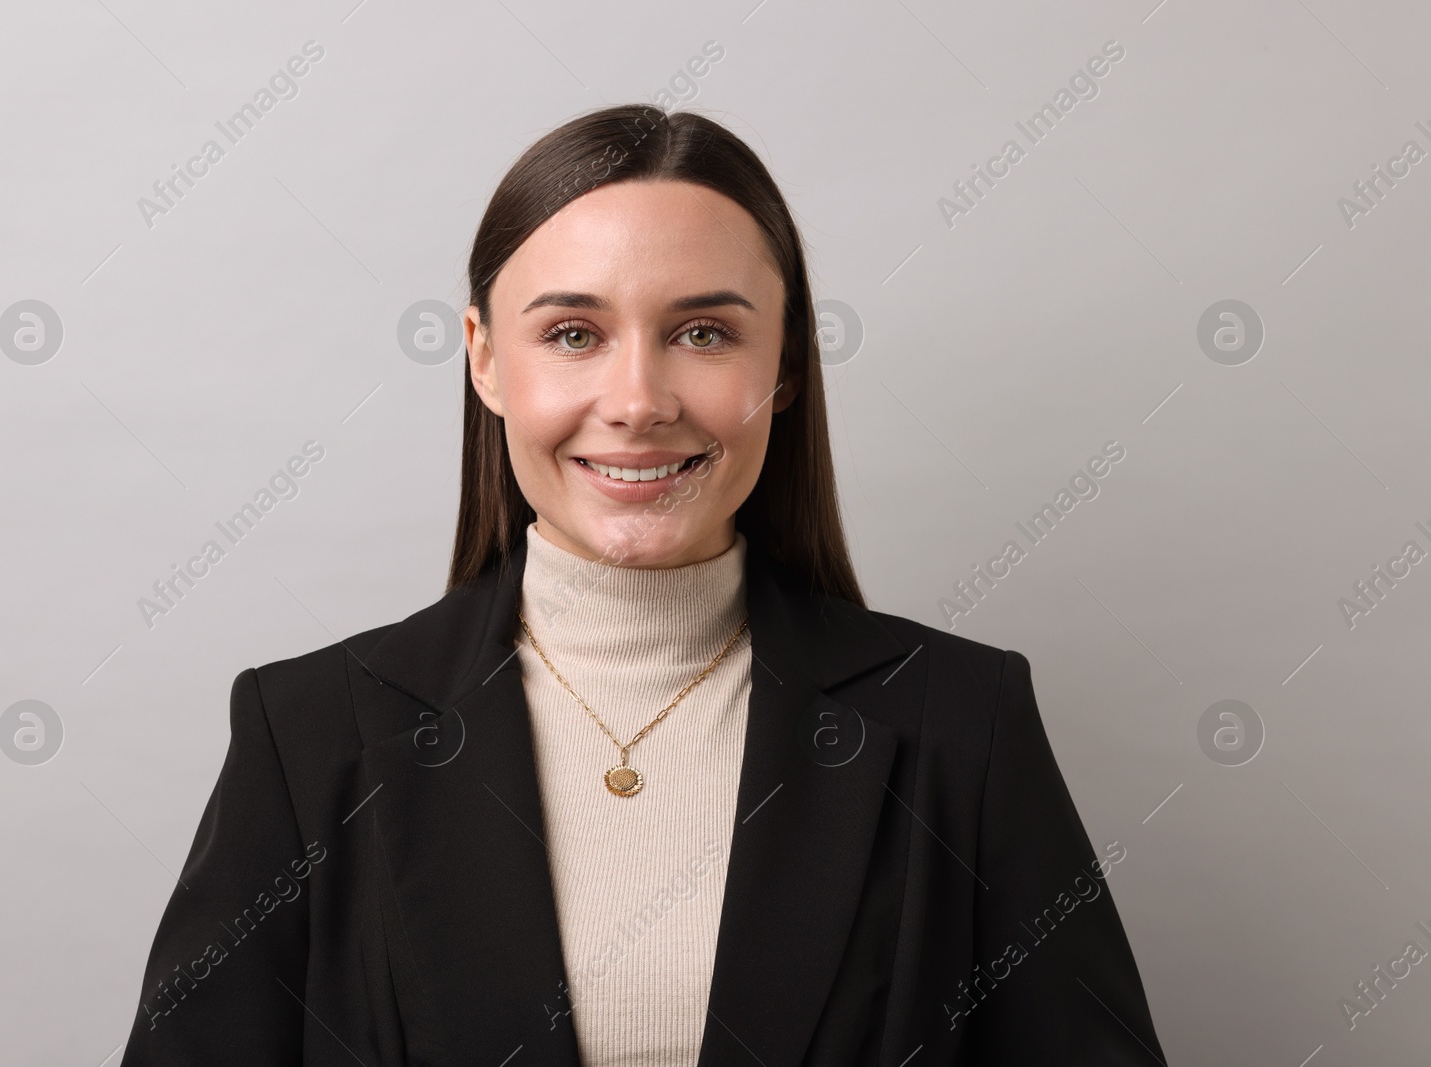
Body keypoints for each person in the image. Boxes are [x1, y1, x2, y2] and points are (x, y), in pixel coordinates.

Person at [118, 104, 1167, 1066]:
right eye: (572, 333)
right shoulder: (309, 736)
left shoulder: (960, 724)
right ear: (484, 358)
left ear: (786, 361)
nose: (637, 400)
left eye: (703, 331)